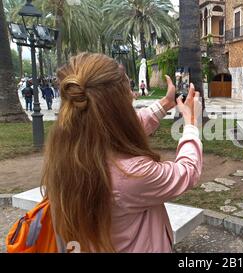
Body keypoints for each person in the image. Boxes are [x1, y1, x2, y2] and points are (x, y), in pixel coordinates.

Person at [40, 53, 203, 252]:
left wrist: (165, 104)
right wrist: (191, 123)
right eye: (129, 90)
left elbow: (119, 127)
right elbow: (187, 171)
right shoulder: (133, 174)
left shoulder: (66, 148)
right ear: (118, 105)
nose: (134, 95)